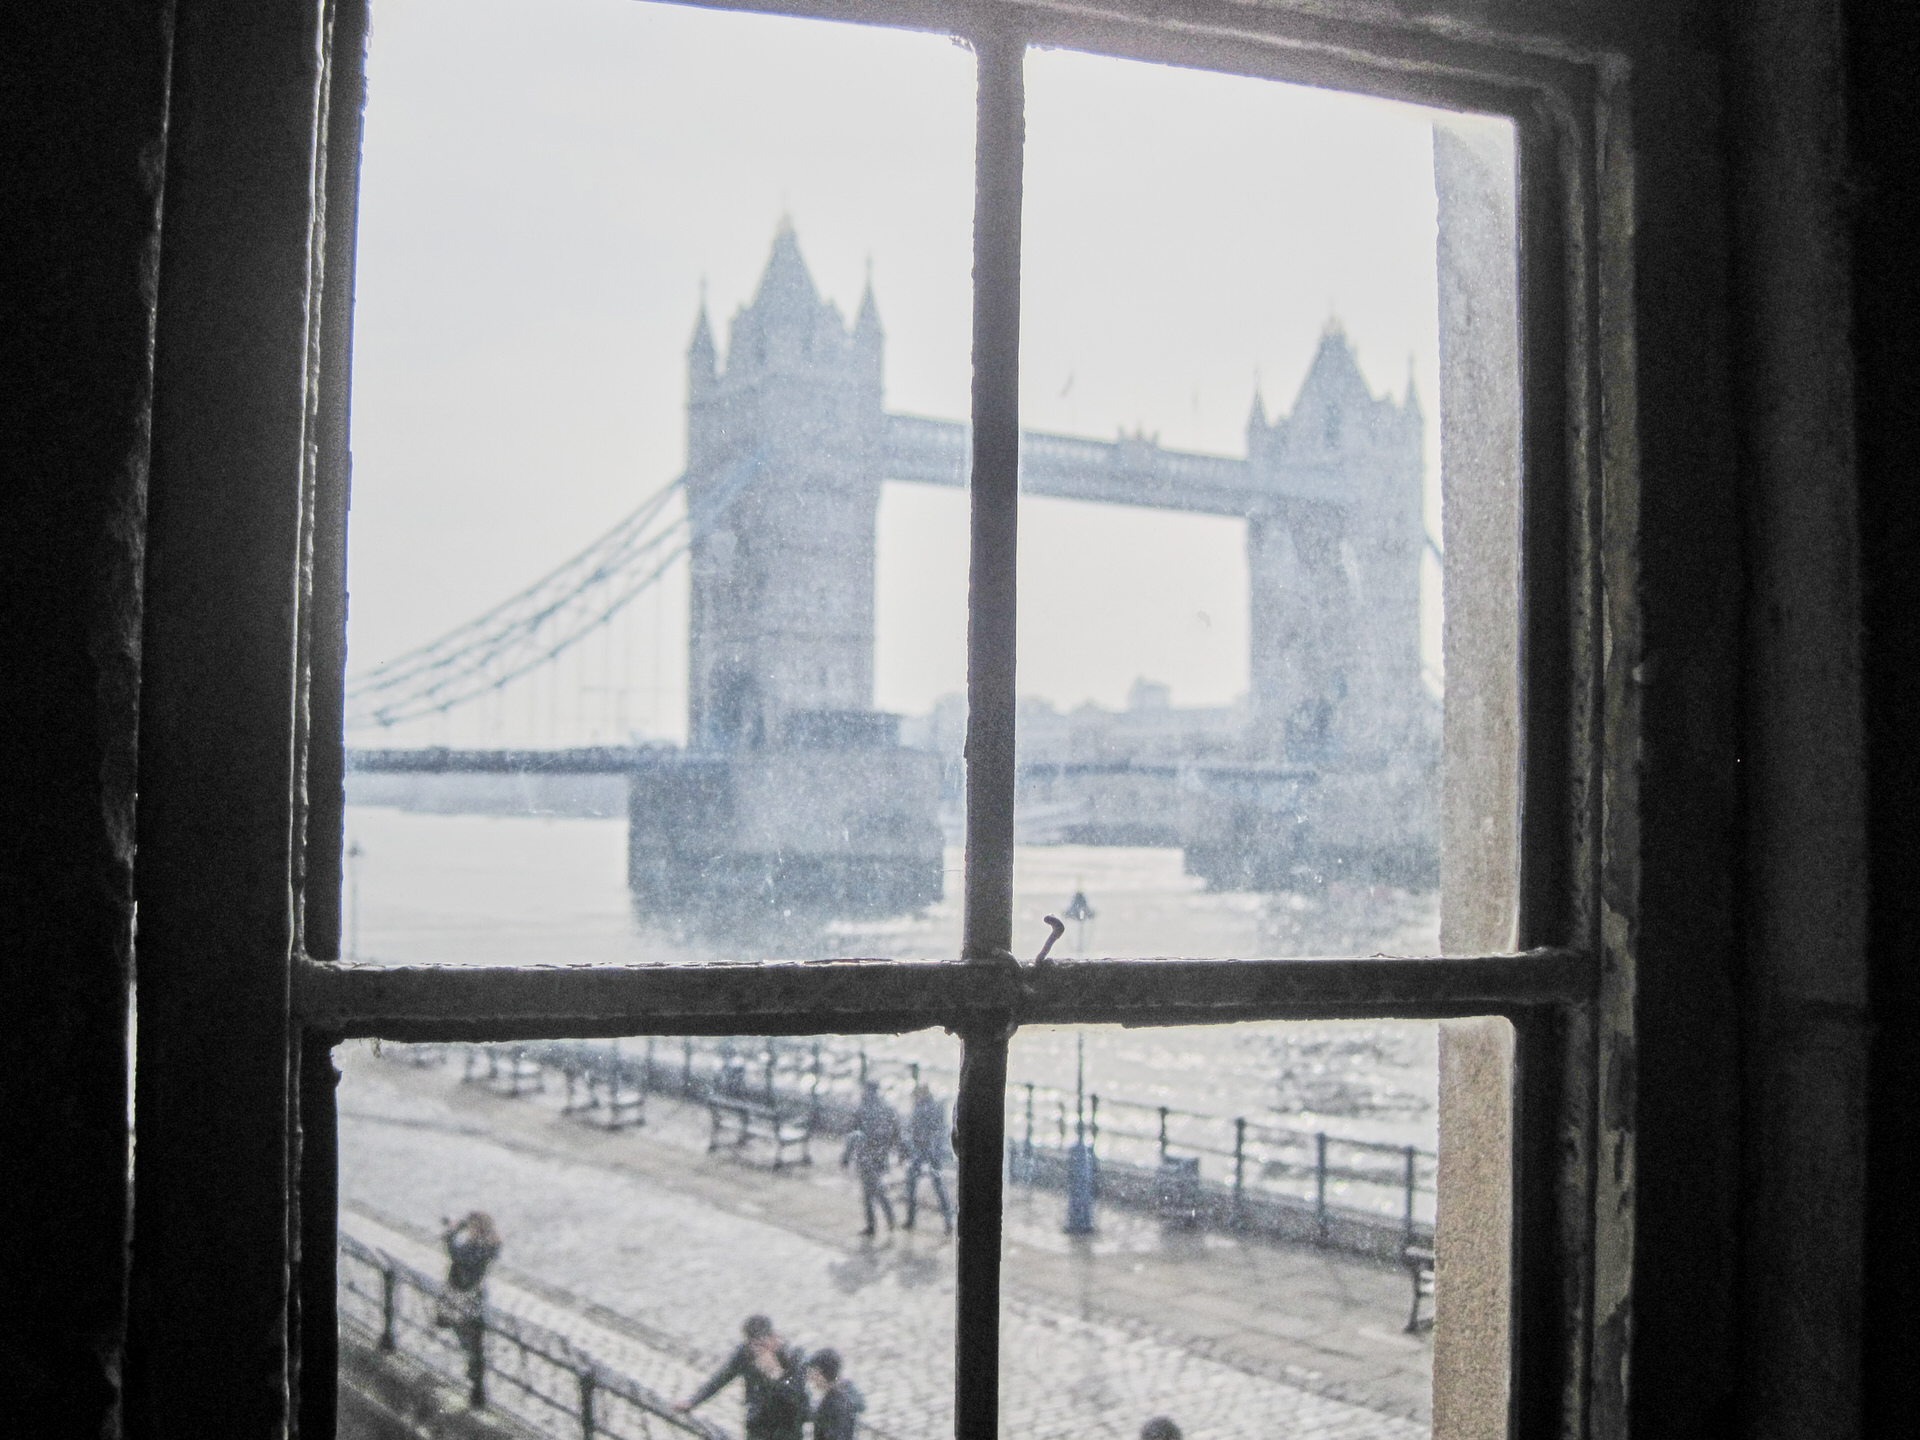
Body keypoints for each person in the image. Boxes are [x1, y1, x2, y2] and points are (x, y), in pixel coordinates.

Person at [676, 1314, 811, 1440]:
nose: (757, 1351)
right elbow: (720, 1379)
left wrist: (775, 1374)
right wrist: (692, 1402)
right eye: (752, 1345)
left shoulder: (793, 1357)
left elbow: (798, 1399)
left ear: (773, 1338)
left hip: (787, 1425)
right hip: (758, 1421)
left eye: (762, 1345)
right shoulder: (745, 1354)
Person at [437, 1212, 501, 1407]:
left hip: (464, 1298)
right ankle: (475, 1378)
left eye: (472, 1227)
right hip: (473, 1298)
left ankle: (476, 1382)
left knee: (469, 1337)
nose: (470, 1230)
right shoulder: (488, 1245)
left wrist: (454, 1230)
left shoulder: (477, 1247)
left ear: (478, 1228)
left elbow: (456, 1253)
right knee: (471, 1338)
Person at [841, 1081, 901, 1236]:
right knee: (873, 1189)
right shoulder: (886, 1108)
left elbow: (853, 1134)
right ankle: (885, 1220)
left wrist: (846, 1155)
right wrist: (890, 1149)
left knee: (871, 1190)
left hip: (866, 1155)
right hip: (880, 1154)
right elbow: (896, 1131)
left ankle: (876, 1224)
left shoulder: (862, 1109)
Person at [902, 1081, 954, 1235]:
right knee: (938, 1186)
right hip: (932, 1150)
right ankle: (947, 1221)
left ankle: (911, 1219)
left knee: (913, 1182)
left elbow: (914, 1130)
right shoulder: (937, 1107)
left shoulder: (920, 1109)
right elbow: (942, 1129)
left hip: (924, 1150)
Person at [805, 1349, 865, 1440]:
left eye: (813, 1373)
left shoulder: (832, 1405)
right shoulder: (843, 1394)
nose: (811, 1377)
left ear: (822, 1376)